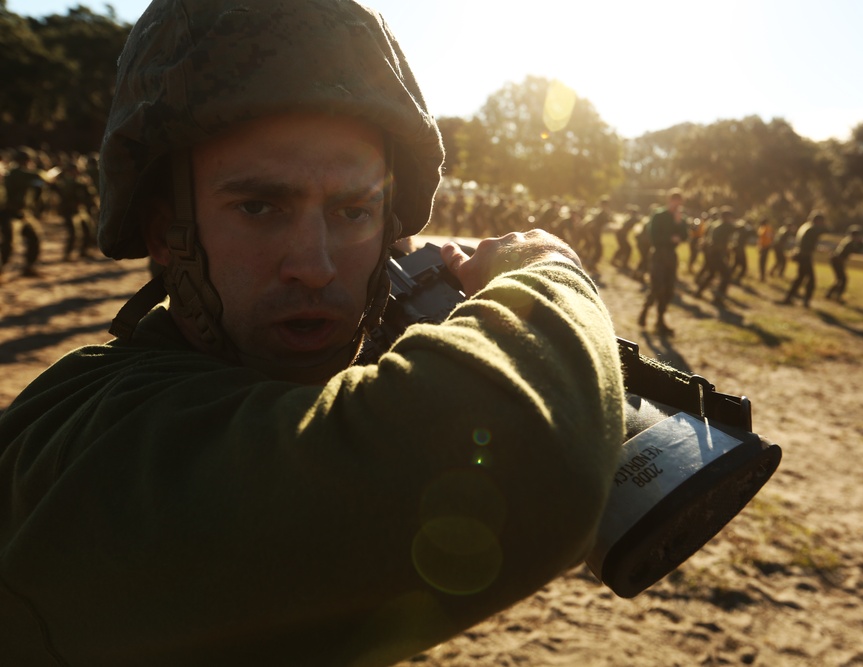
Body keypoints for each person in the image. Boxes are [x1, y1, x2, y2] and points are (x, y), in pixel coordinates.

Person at [0, 2, 627, 664]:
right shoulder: (111, 443)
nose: (316, 265)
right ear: (165, 234)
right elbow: (540, 461)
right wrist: (549, 269)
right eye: (259, 206)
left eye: (353, 210)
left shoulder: (226, 390)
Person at [638, 188, 687, 334]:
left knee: (669, 289)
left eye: (679, 202)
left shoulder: (680, 218)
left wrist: (678, 223)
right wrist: (669, 239)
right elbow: (652, 236)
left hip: (671, 256)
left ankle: (660, 320)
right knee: (656, 287)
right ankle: (645, 310)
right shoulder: (659, 215)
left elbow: (685, 236)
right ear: (669, 200)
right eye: (674, 201)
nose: (676, 205)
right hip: (658, 254)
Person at [0, 148, 43, 279]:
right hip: (10, 214)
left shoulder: (25, 174)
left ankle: (29, 267)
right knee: (10, 243)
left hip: (24, 213)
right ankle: (1, 271)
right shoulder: (16, 173)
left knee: (35, 237)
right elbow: (38, 175)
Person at [781, 211, 827, 307]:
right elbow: (809, 244)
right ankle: (805, 301)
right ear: (818, 221)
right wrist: (818, 249)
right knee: (811, 280)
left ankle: (789, 297)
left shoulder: (805, 226)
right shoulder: (812, 229)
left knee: (800, 277)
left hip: (801, 255)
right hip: (805, 256)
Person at [694, 205, 736, 303]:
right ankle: (718, 298)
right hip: (716, 254)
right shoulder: (724, 226)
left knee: (711, 274)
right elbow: (736, 228)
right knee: (726, 275)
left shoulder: (715, 224)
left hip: (711, 253)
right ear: (726, 217)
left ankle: (698, 292)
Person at [824, 225, 863, 303]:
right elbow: (856, 250)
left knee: (840, 279)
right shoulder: (849, 242)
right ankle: (836, 295)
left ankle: (830, 294)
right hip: (837, 261)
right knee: (843, 279)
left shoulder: (849, 241)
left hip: (836, 260)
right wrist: (862, 244)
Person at [756, 217, 774, 281]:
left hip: (764, 247)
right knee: (762, 262)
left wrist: (762, 246)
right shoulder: (765, 228)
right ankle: (762, 275)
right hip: (764, 247)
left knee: (762, 262)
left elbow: (767, 238)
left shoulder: (765, 228)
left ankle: (762, 276)